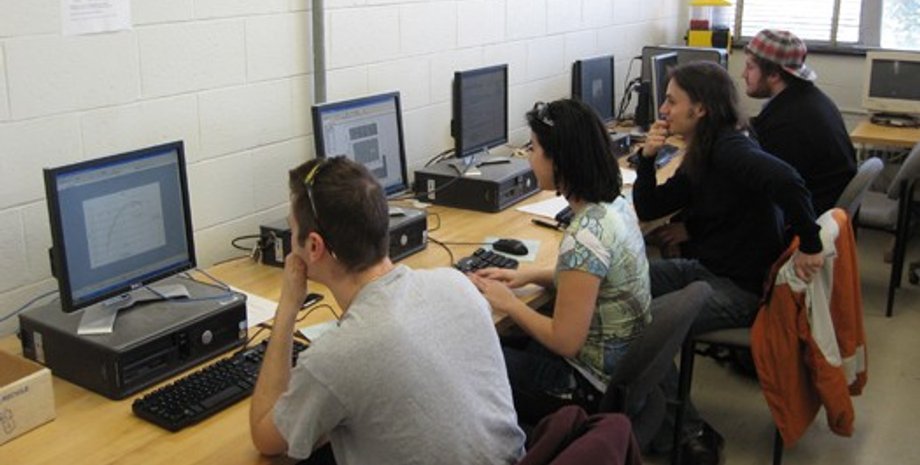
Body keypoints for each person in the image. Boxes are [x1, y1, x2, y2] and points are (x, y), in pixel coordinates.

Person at [249, 157, 525, 464]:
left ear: (314, 246)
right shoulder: (457, 284)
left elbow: (265, 437)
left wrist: (288, 307)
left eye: (291, 230)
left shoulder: (336, 357)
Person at [632, 62, 825, 465]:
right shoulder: (706, 147)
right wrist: (647, 158)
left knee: (643, 330)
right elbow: (651, 207)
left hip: (738, 287)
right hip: (708, 268)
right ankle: (640, 409)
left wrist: (812, 244)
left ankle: (689, 432)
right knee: (621, 284)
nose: (663, 110)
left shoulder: (730, 148)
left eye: (671, 101)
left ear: (700, 108)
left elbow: (788, 181)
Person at [469, 99, 652, 426]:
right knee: (493, 342)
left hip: (587, 388)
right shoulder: (614, 206)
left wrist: (509, 303)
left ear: (560, 160)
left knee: (469, 362)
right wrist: (530, 275)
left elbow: (565, 340)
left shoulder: (584, 236)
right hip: (619, 371)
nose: (529, 157)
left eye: (534, 148)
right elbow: (591, 279)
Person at [743, 29, 857, 215]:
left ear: (774, 74)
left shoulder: (789, 124)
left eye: (750, 67)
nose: (743, 74)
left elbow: (761, 183)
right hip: (821, 203)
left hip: (805, 216)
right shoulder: (806, 98)